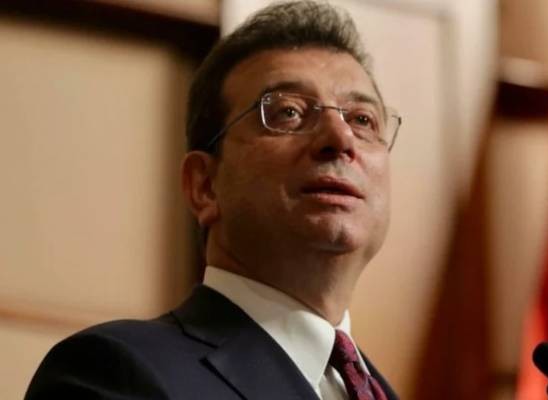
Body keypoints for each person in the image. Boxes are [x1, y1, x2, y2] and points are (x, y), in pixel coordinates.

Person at [25, 1, 401, 399]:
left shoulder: (379, 391)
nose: (340, 138)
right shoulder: (112, 372)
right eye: (288, 112)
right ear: (204, 185)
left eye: (362, 119)